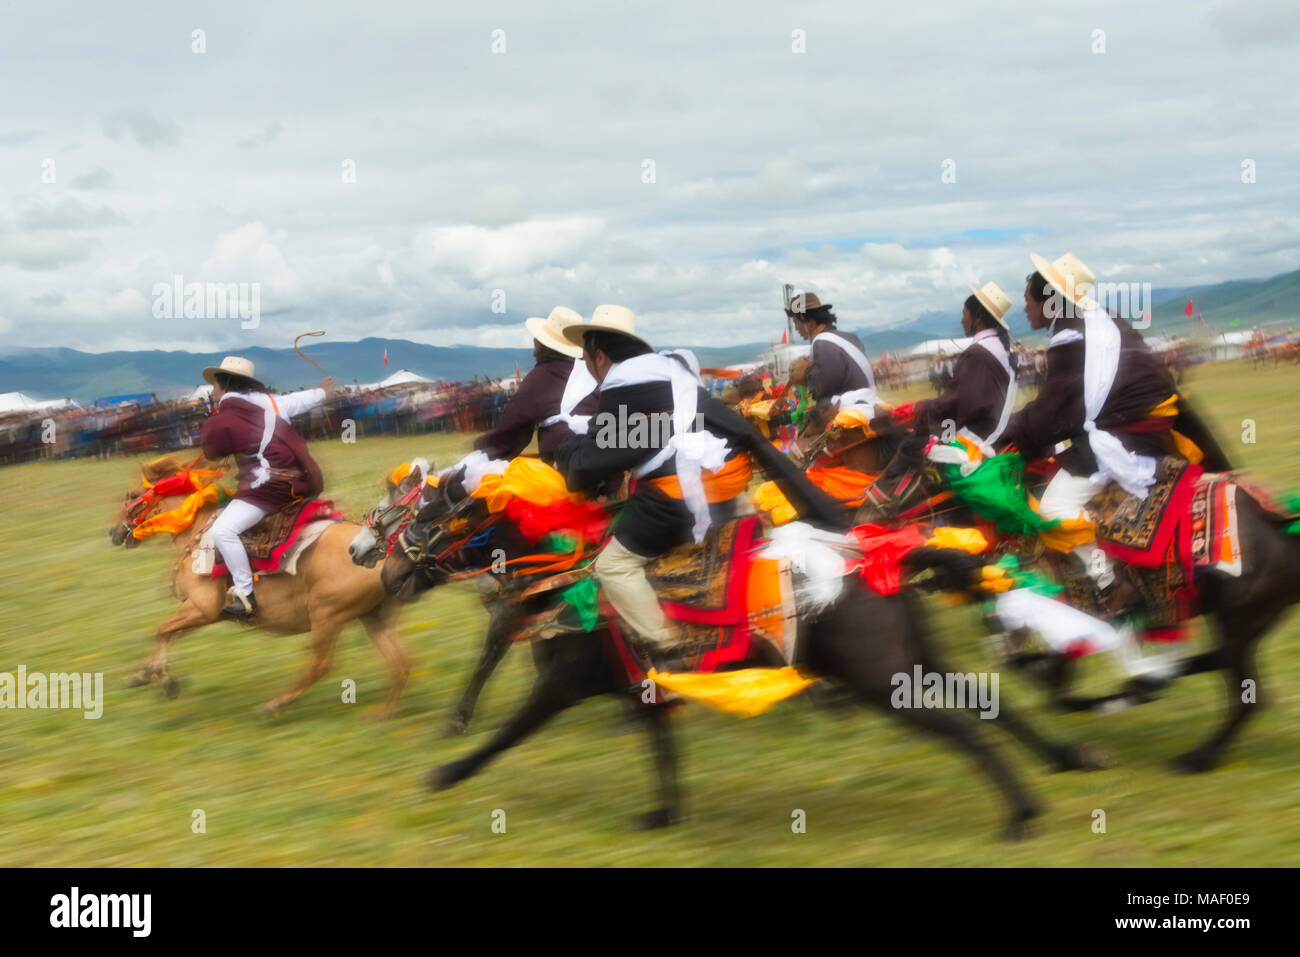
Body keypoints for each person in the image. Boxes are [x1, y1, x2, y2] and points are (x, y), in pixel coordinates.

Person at [553, 305, 844, 669]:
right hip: (727, 479)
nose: (587, 367)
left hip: (687, 492)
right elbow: (632, 438)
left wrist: (568, 452)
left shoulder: (624, 384)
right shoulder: (664, 372)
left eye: (586, 358)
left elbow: (592, 461)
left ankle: (665, 648)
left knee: (613, 565)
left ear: (599, 356)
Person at [1000, 253, 1175, 597]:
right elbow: (1065, 406)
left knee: (1053, 508)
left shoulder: (1072, 336)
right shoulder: (1094, 322)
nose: (1024, 309)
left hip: (1128, 435)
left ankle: (1109, 580)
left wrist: (1010, 435)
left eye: (1027, 301)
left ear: (1050, 303)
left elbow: (1056, 413)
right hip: (1138, 422)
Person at [199, 356, 334, 618]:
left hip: (269, 487)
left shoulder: (228, 412)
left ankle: (245, 594)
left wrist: (210, 423)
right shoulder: (272, 402)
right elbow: (299, 401)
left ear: (224, 385)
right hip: (297, 482)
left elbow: (213, 451)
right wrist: (323, 391)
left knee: (223, 530)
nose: (212, 391)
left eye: (214, 385)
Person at [471, 307, 600, 466]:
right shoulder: (594, 370)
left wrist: (480, 448)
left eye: (536, 342)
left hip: (570, 465)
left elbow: (511, 433)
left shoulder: (541, 377)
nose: (533, 351)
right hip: (604, 455)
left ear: (543, 345)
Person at [914, 281, 1018, 455]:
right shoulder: (999, 346)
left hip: (978, 436)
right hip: (993, 425)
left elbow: (960, 401)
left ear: (978, 317)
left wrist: (923, 407)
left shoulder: (978, 352)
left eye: (964, 314)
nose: (962, 320)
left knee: (915, 451)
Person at [786, 292, 875, 402]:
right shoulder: (849, 337)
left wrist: (803, 372)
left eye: (796, 322)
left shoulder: (822, 342)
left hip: (854, 412)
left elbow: (823, 388)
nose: (795, 328)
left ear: (809, 323)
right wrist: (811, 366)